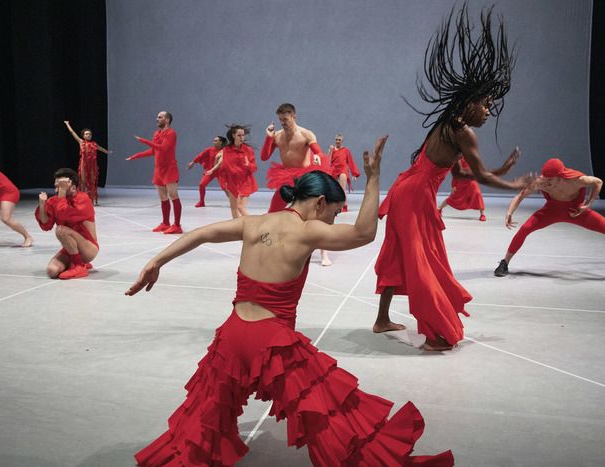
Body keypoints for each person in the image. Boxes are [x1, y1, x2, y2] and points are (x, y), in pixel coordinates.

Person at [126, 136, 453, 467]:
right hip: (272, 343)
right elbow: (364, 233)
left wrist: (156, 262)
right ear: (319, 203)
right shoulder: (308, 231)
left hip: (232, 335)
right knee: (332, 413)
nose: (333, 222)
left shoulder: (255, 223)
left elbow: (199, 234)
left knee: (202, 420)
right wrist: (372, 178)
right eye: (335, 213)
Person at [373, 5, 534, 350]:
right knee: (423, 261)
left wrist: (502, 170)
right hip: (415, 195)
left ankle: (382, 319)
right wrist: (514, 184)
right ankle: (435, 334)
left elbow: (459, 171)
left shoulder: (447, 125)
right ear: (470, 103)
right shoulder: (463, 132)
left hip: (408, 188)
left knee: (401, 255)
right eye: (486, 105)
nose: (489, 111)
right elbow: (479, 177)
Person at [494, 158, 605, 283]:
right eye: (544, 177)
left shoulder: (576, 180)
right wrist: (509, 212)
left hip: (575, 212)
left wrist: (588, 204)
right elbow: (520, 196)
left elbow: (598, 182)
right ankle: (504, 263)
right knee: (525, 229)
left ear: (560, 176)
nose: (546, 181)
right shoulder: (541, 182)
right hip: (551, 211)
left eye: (550, 179)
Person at [261, 103, 332, 265]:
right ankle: (271, 244)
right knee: (273, 211)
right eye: (280, 120)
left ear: (294, 116)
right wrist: (268, 138)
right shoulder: (277, 136)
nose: (283, 123)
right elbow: (264, 157)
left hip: (305, 177)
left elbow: (318, 152)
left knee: (316, 214)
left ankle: (324, 252)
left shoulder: (306, 134)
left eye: (285, 119)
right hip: (286, 177)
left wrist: (318, 157)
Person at [35, 168, 98, 280]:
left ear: (73, 187)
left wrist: (62, 192)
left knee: (60, 230)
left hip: (88, 248)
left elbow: (63, 214)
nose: (57, 189)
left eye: (61, 186)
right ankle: (76, 262)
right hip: (70, 248)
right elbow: (46, 225)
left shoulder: (83, 199)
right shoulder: (57, 200)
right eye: (56, 186)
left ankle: (79, 265)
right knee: (52, 271)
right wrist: (42, 205)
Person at [127, 111, 182, 234]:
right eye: (157, 117)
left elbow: (163, 148)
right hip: (158, 169)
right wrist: (136, 155)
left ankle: (177, 225)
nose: (157, 119)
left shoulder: (171, 133)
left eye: (160, 117)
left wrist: (144, 141)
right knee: (163, 197)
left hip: (169, 168)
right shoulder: (156, 133)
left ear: (167, 120)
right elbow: (153, 151)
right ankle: (165, 223)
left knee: (173, 195)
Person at [438, 149, 520, 221]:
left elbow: (479, 168)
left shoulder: (472, 157)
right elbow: (456, 173)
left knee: (477, 194)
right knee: (453, 197)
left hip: (471, 180)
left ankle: (482, 214)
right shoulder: (457, 157)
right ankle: (439, 209)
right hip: (460, 181)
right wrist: (454, 185)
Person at [206, 125, 257, 218]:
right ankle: (237, 230)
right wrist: (214, 165)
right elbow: (222, 165)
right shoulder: (226, 150)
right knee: (234, 208)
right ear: (233, 135)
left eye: (243, 135)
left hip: (245, 182)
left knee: (241, 207)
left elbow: (254, 168)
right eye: (239, 135)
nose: (242, 138)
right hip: (232, 182)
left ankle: (254, 226)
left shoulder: (248, 150)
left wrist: (248, 164)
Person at [63, 121, 111, 205]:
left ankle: (91, 200)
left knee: (92, 182)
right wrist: (67, 124)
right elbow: (72, 132)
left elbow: (100, 148)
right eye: (86, 134)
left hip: (93, 166)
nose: (88, 135)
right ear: (83, 135)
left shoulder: (94, 144)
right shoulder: (81, 142)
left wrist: (107, 152)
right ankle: (81, 200)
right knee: (83, 182)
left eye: (90, 134)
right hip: (84, 165)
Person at [187, 135, 227, 207]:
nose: (213, 142)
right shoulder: (209, 150)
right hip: (210, 171)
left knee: (225, 187)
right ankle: (201, 202)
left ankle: (234, 202)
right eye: (214, 140)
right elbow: (200, 156)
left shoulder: (225, 151)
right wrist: (193, 162)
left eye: (216, 141)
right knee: (201, 184)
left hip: (221, 172)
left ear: (221, 142)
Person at [329, 133, 360, 212]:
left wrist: (354, 174)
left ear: (342, 141)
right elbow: (328, 161)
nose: (337, 141)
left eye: (339, 140)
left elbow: (351, 162)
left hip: (343, 169)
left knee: (342, 188)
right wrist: (330, 152)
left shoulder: (346, 151)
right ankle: (334, 205)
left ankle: (343, 205)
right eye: (336, 140)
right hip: (334, 170)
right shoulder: (332, 150)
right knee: (333, 189)